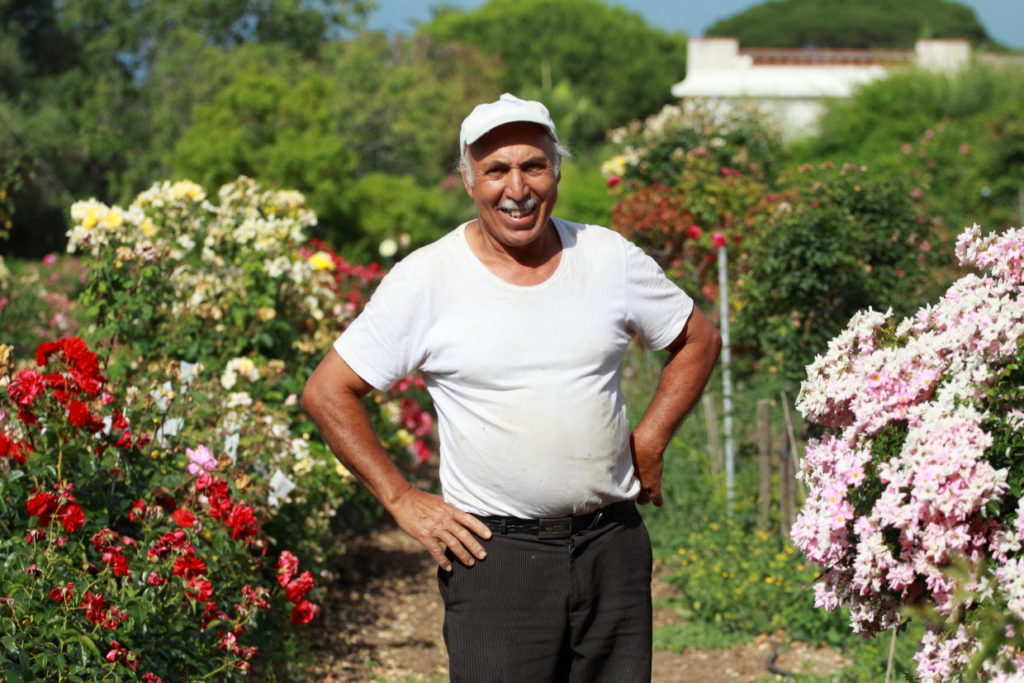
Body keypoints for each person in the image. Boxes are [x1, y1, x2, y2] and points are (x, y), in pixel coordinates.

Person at [302, 92, 721, 682]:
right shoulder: (428, 278)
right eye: (496, 170)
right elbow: (327, 391)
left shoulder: (606, 257)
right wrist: (402, 500)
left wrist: (649, 439)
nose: (517, 188)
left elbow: (697, 340)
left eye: (534, 166)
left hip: (612, 546)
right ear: (469, 181)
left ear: (557, 172)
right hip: (492, 556)